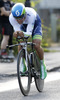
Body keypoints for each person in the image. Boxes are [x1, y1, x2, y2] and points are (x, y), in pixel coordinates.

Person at [9, 3, 47, 79]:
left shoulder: (31, 15)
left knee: (36, 45)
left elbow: (29, 34)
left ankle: (42, 65)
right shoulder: (11, 18)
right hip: (23, 27)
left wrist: (21, 34)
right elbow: (18, 32)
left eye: (21, 17)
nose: (19, 20)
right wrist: (17, 34)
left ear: (24, 14)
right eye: (17, 18)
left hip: (35, 24)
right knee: (20, 43)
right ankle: (22, 62)